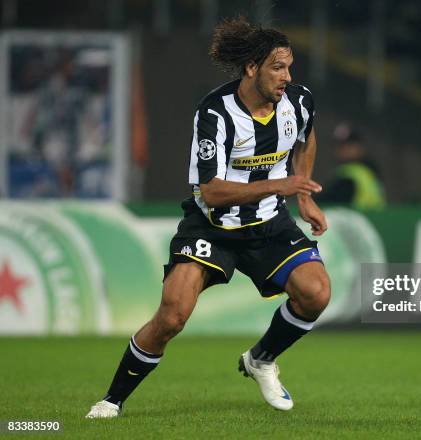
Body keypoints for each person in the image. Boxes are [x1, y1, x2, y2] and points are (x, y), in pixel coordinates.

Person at [86, 17, 331, 417]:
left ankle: (261, 359)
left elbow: (307, 137)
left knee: (316, 293)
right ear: (251, 68)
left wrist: (303, 193)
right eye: (277, 67)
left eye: (289, 67)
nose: (287, 76)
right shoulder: (216, 113)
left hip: (270, 224)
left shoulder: (298, 101)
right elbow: (212, 191)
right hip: (213, 227)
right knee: (172, 316)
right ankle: (111, 400)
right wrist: (279, 185)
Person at [318, 122, 386, 210]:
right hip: (373, 221)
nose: (343, 149)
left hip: (358, 219)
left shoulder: (352, 174)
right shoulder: (370, 171)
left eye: (348, 145)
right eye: (338, 145)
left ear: (359, 146)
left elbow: (329, 201)